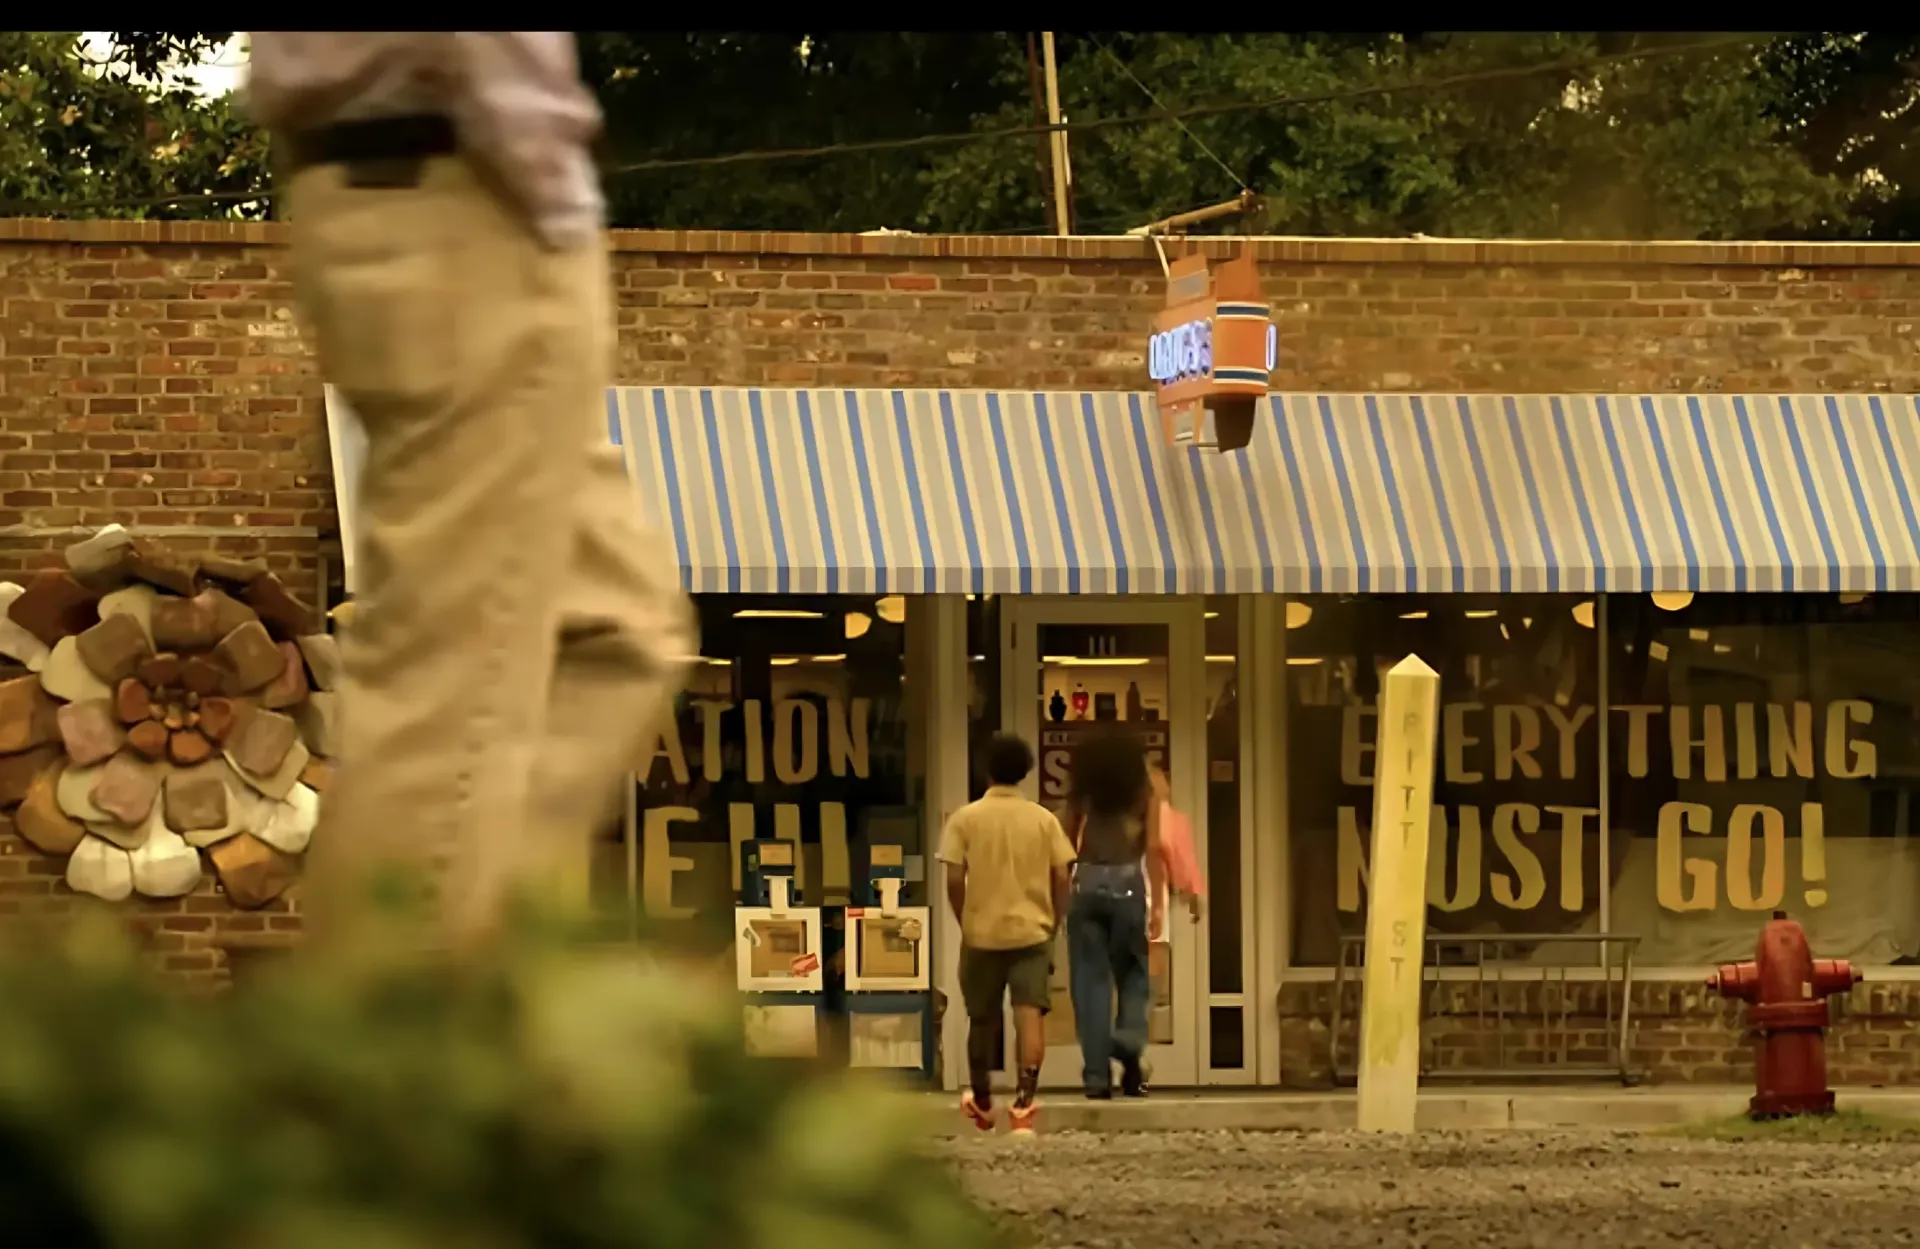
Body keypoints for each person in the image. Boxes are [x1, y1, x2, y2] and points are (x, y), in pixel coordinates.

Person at [244, 35, 694, 950]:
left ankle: (475, 970)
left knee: (615, 629)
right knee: (447, 688)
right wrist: (541, 183)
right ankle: (387, 1017)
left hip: (419, 180)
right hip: (466, 192)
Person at [937, 731, 1075, 1135]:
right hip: (1033, 931)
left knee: (981, 1017)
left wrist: (966, 918)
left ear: (987, 771)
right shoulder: (1043, 819)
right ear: (1026, 772)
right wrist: (1054, 919)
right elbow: (1062, 875)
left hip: (981, 933)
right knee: (1029, 1014)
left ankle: (982, 1101)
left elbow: (954, 878)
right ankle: (1024, 1105)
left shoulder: (965, 819)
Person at [1063, 725, 1166, 1099]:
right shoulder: (1143, 790)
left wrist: (1063, 888)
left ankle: (1096, 1076)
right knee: (1135, 973)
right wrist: (1157, 901)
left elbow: (1066, 839)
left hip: (1086, 882)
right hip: (1128, 882)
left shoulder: (1083, 792)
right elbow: (1153, 845)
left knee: (1089, 981)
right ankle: (1127, 1043)